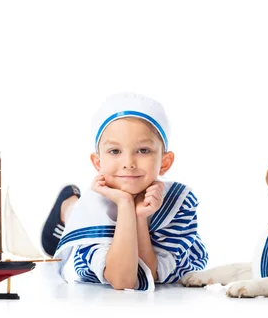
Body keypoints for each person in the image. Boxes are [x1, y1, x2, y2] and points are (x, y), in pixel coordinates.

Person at [40, 92, 208, 291]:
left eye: (143, 150)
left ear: (165, 162)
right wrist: (125, 203)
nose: (128, 163)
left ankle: (69, 208)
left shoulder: (179, 200)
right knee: (81, 211)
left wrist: (139, 217)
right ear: (98, 162)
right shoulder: (95, 207)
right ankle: (68, 207)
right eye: (115, 151)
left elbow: (148, 275)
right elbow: (122, 280)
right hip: (99, 208)